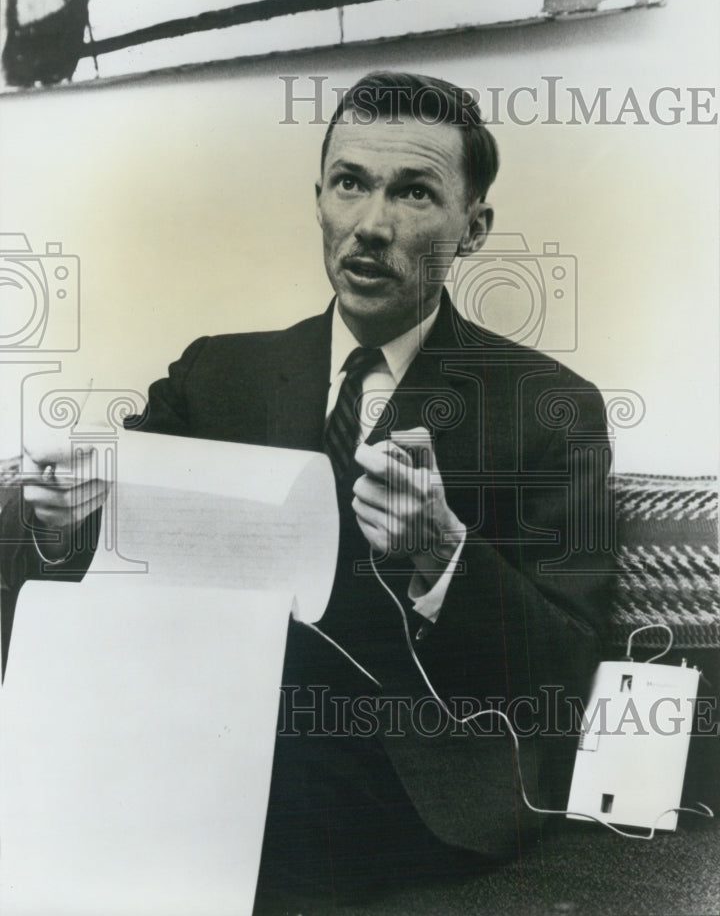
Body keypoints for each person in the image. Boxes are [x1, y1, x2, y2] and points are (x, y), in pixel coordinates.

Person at [1, 72, 616, 911]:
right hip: (191, 722)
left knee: (244, 754)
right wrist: (63, 520)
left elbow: (565, 665)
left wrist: (446, 553)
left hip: (410, 770)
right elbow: (100, 548)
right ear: (318, 198)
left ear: (473, 229)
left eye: (414, 192)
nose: (371, 223)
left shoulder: (546, 408)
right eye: (350, 182)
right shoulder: (218, 371)